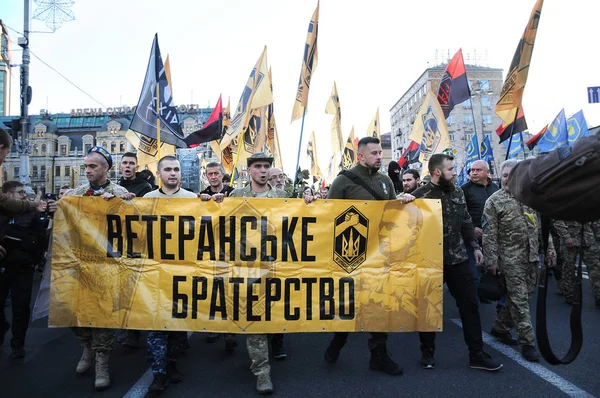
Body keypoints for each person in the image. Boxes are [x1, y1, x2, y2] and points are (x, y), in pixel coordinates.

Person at [411, 153, 502, 371]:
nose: (455, 173)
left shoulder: (458, 191)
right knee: (429, 307)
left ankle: (477, 354)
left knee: (470, 305)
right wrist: (403, 200)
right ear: (437, 172)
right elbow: (397, 218)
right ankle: (427, 351)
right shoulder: (420, 195)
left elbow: (465, 220)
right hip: (430, 261)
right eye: (451, 169)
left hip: (458, 258)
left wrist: (474, 246)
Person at [323, 137, 404, 376]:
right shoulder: (343, 181)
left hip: (379, 254)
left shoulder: (385, 180)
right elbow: (328, 216)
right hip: (349, 255)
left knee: (378, 304)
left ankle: (379, 355)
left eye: (380, 152)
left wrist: (403, 202)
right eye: (374, 153)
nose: (380, 156)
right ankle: (338, 340)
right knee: (349, 304)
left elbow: (392, 213)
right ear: (360, 156)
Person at [63, 146, 131, 390]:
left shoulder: (120, 192)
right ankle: (86, 347)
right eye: (86, 166)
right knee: (75, 311)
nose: (88, 170)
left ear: (106, 168)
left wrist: (120, 205)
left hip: (107, 265)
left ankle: (102, 360)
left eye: (93, 166)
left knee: (103, 314)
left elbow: (132, 225)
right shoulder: (78, 193)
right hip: (80, 264)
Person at [482, 159, 556, 361]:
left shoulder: (530, 199)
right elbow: (489, 235)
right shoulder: (494, 201)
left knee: (523, 296)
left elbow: (542, 227)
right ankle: (527, 343)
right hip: (509, 260)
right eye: (505, 175)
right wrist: (491, 261)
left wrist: (550, 250)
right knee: (520, 300)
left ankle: (500, 327)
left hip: (531, 257)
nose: (508, 179)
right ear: (501, 177)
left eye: (513, 175)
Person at [229, 152, 288, 395]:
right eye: (258, 166)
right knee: (256, 320)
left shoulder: (282, 197)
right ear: (249, 170)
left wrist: (310, 200)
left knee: (274, 316)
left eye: (266, 166)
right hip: (248, 267)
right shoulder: (237, 196)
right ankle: (262, 372)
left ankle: (273, 346)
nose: (263, 171)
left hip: (278, 267)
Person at [142, 155, 201, 393]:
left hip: (182, 270)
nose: (173, 173)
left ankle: (173, 363)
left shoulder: (193, 198)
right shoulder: (147, 199)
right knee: (155, 323)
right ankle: (159, 372)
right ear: (159, 174)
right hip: (154, 272)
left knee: (177, 323)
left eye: (176, 169)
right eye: (168, 169)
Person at [0, 181, 52, 359]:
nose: (24, 195)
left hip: (23, 268)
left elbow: (41, 238)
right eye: (20, 192)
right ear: (7, 195)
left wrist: (33, 260)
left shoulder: (31, 214)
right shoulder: (2, 213)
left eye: (24, 192)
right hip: (3, 267)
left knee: (20, 307)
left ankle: (17, 344)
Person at [116, 152, 153, 349]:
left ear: (136, 167)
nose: (128, 166)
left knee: (138, 290)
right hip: (119, 245)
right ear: (120, 166)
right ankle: (128, 329)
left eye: (132, 163)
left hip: (138, 245)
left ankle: (136, 331)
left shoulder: (144, 187)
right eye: (125, 163)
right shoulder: (114, 188)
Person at [199, 162, 237, 350]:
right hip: (210, 249)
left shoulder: (234, 193)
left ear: (223, 174)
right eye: (210, 173)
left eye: (216, 173)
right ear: (206, 176)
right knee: (211, 288)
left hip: (231, 249)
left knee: (228, 289)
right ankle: (214, 326)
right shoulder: (202, 194)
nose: (213, 176)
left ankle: (229, 331)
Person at [460, 160, 499, 302]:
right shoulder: (464, 189)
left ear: (487, 172)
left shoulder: (495, 188)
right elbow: (462, 212)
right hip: (472, 237)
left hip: (493, 237)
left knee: (491, 269)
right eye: (472, 170)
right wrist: (473, 228)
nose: (474, 173)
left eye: (478, 170)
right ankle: (473, 301)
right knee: (474, 271)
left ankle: (486, 295)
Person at [554, 220, 600, 306]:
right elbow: (557, 220)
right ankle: (570, 295)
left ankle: (599, 295)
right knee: (568, 268)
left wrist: (598, 230)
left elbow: (595, 216)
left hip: (588, 239)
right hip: (570, 239)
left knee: (595, 267)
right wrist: (566, 236)